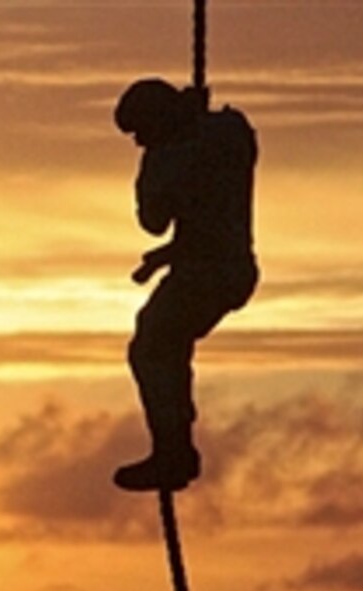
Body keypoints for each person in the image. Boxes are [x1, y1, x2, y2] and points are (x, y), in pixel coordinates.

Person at [113, 78, 259, 492]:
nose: (140, 143)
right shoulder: (224, 134)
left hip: (213, 271)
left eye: (142, 132)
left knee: (153, 346)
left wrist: (159, 159)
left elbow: (154, 220)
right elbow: (200, 213)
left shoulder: (204, 142)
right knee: (161, 344)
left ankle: (173, 453)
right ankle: (175, 450)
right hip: (211, 266)